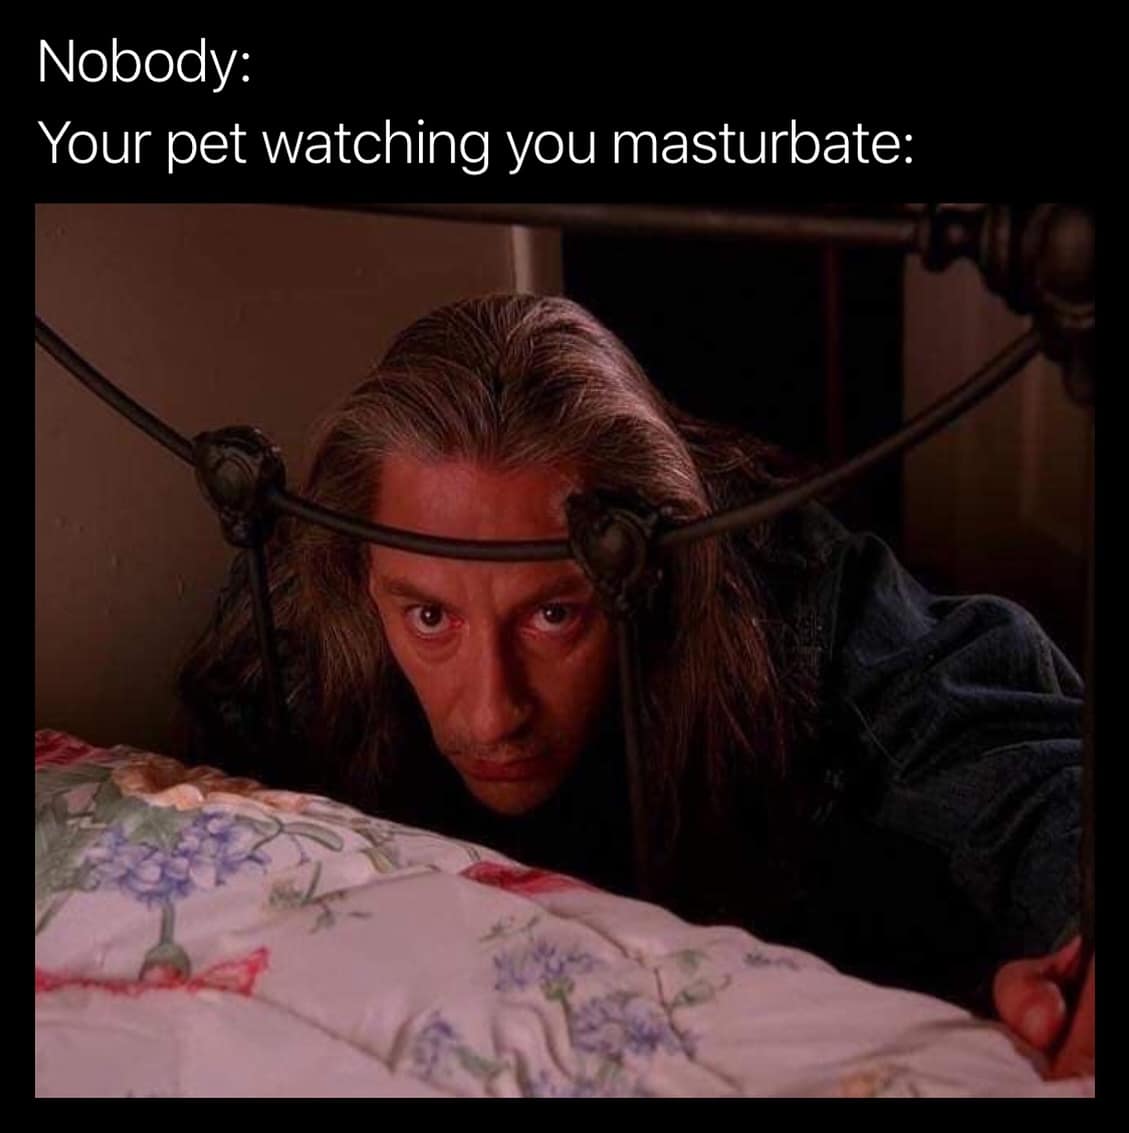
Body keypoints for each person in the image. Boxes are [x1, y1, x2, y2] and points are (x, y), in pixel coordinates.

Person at [178, 293, 1093, 1077]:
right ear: (359, 578)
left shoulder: (786, 594)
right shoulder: (293, 620)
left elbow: (1016, 760)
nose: (492, 713)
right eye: (429, 617)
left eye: (553, 615)